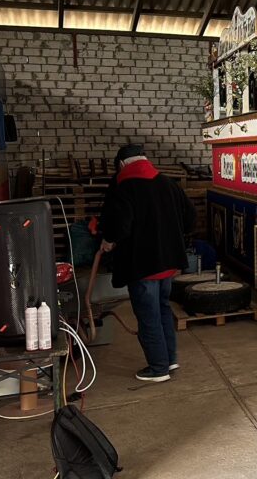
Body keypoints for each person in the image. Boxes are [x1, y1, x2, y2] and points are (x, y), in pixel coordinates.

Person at [100, 144, 196, 382]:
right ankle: (170, 359)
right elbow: (191, 218)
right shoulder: (167, 183)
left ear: (122, 165)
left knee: (148, 315)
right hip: (168, 264)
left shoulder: (124, 188)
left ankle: (158, 368)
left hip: (142, 266)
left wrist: (109, 240)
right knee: (163, 309)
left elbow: (120, 226)